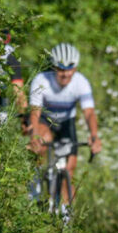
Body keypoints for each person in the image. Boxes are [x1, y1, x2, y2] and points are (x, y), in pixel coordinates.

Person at [26, 42, 102, 218]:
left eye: (70, 69)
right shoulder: (41, 80)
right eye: (61, 69)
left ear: (75, 68)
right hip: (45, 121)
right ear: (54, 67)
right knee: (42, 141)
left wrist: (94, 136)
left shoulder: (81, 82)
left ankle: (66, 216)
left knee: (69, 169)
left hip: (67, 123)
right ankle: (35, 186)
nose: (66, 74)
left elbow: (89, 113)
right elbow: (35, 112)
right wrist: (34, 136)